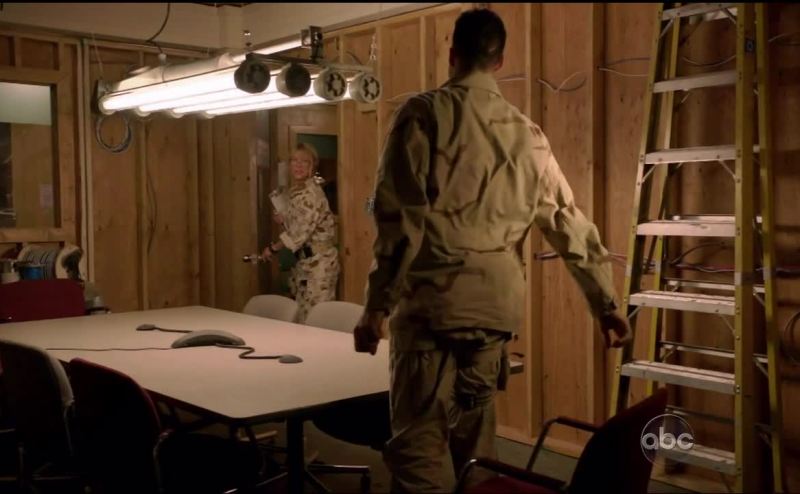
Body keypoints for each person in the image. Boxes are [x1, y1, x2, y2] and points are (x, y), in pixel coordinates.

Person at [353, 8, 633, 493]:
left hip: (432, 309)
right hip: (494, 316)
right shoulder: (529, 135)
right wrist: (606, 304)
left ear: (452, 54)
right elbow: (567, 222)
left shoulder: (424, 115)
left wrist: (376, 307)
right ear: (499, 61)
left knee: (419, 450)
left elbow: (400, 225)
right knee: (474, 446)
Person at [262, 143, 339, 322]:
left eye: (304, 161)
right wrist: (284, 219)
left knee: (316, 321)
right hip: (305, 264)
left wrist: (272, 249)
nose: (298, 165)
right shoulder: (297, 191)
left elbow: (297, 235)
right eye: (294, 160)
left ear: (312, 166)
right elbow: (299, 225)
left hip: (319, 267)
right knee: (303, 318)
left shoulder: (310, 194)